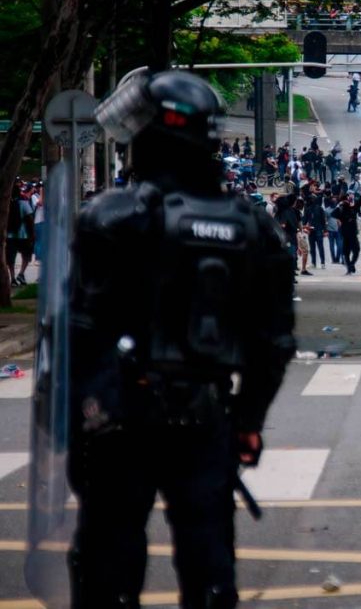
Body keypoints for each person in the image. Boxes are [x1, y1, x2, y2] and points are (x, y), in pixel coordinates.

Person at [73, 71, 295, 607]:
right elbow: (274, 343)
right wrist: (247, 422)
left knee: (107, 567)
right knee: (210, 568)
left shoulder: (112, 217)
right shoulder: (253, 228)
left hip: (117, 422)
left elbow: (78, 334)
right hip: (204, 419)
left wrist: (75, 416)